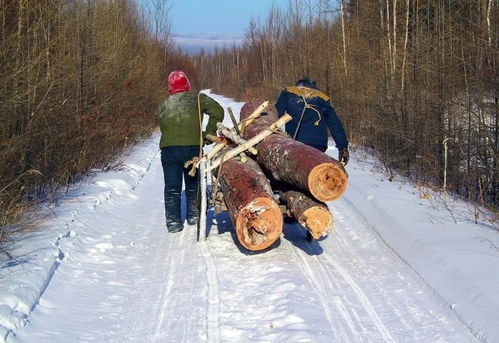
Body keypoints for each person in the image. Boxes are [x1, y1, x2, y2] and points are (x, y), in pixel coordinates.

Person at [158, 70, 224, 233]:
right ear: (186, 84)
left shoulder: (164, 104)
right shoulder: (198, 98)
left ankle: (173, 222)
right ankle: (194, 215)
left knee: (172, 187)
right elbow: (218, 112)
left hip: (168, 150)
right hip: (191, 149)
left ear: (170, 87)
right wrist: (207, 134)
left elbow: (162, 126)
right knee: (193, 184)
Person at [275, 77, 349, 165]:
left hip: (296, 141)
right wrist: (343, 147)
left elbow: (276, 113)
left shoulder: (288, 91)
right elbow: (334, 123)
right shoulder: (323, 97)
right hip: (318, 144)